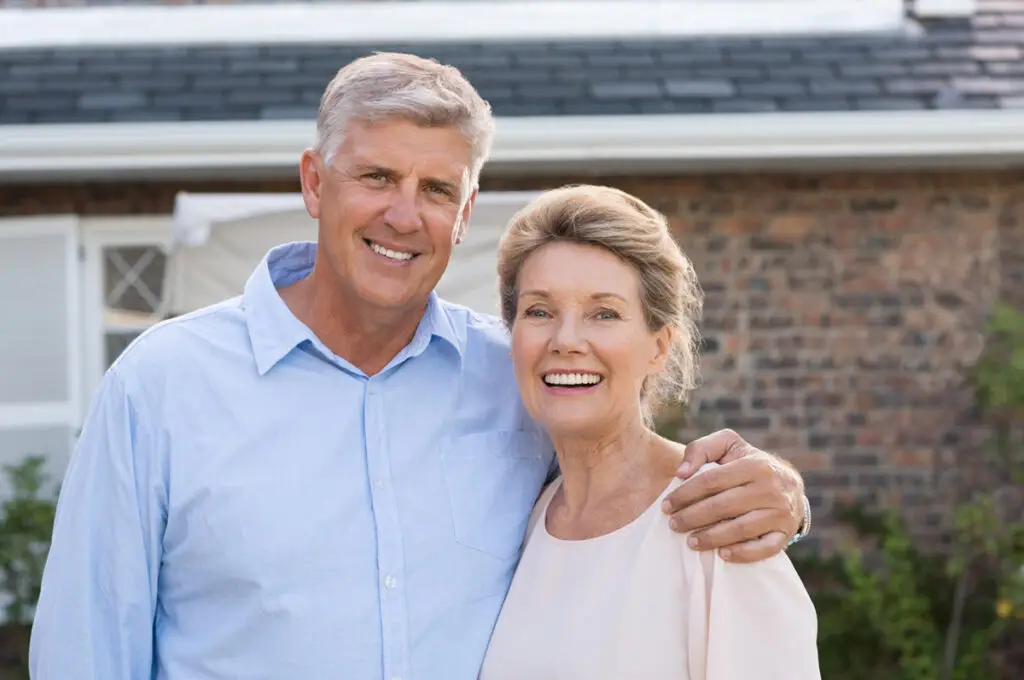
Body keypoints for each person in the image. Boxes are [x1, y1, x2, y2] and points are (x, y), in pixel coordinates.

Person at [29, 53, 810, 680]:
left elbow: (623, 473)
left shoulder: (513, 379)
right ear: (313, 181)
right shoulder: (162, 384)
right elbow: (84, 651)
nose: (404, 215)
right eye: (376, 177)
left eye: (437, 189)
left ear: (466, 214)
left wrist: (780, 491)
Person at [479, 184, 820, 679]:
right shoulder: (527, 518)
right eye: (539, 311)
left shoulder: (718, 521)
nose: (567, 340)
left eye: (604, 313)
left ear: (658, 347)